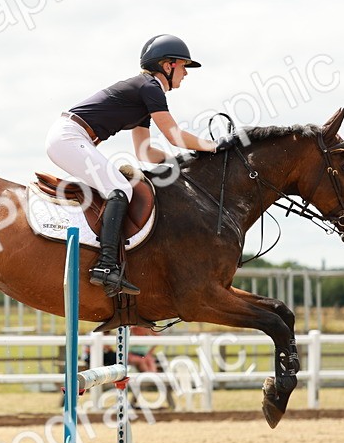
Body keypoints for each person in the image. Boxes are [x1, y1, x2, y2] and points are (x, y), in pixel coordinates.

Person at [45, 34, 227, 297]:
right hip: (69, 137)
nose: (186, 73)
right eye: (184, 66)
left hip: (71, 137)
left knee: (118, 186)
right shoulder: (150, 88)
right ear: (167, 66)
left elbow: (144, 152)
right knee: (120, 188)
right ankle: (106, 266)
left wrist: (183, 163)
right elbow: (175, 136)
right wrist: (215, 146)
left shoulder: (145, 94)